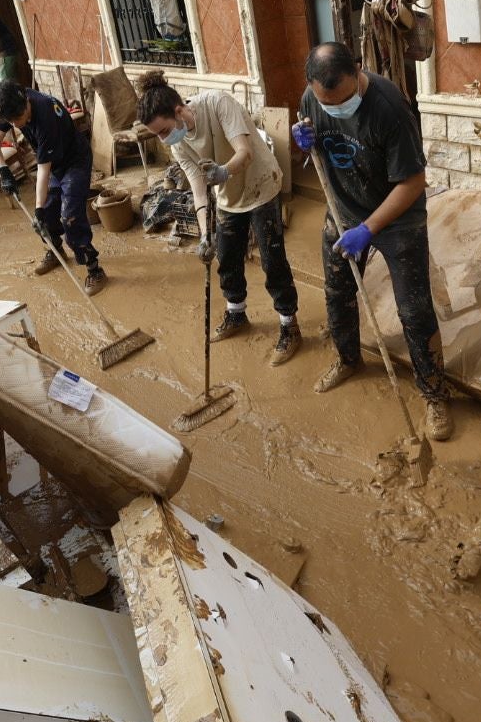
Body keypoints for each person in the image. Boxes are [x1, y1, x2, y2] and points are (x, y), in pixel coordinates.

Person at [292, 42, 451, 441]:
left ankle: (434, 392)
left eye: (344, 99)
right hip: (344, 211)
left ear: (359, 71)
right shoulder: (313, 99)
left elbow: (414, 182)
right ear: (312, 85)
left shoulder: (389, 107)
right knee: (338, 292)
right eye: (327, 102)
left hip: (398, 220)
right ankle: (347, 359)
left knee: (413, 309)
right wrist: (303, 146)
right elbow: (318, 152)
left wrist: (371, 228)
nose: (335, 107)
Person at [136, 71, 300, 366]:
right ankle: (236, 313)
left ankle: (289, 326)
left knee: (271, 259)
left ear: (178, 111)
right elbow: (199, 190)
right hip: (229, 198)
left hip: (261, 184)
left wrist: (223, 172)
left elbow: (245, 152)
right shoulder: (178, 144)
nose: (163, 139)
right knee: (226, 256)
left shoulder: (218, 103)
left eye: (163, 131)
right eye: (157, 135)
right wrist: (203, 235)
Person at [0, 80, 105, 294]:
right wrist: (3, 171)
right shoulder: (9, 102)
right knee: (47, 214)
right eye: (10, 121)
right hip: (53, 164)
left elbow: (42, 171)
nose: (15, 125)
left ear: (26, 102)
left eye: (18, 119)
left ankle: (94, 269)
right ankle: (56, 250)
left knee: (70, 216)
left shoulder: (45, 115)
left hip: (73, 161)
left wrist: (38, 209)